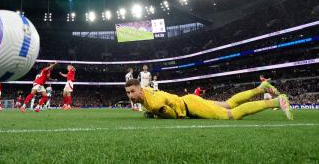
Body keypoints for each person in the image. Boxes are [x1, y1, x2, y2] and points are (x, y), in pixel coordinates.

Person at [124, 78, 292, 120]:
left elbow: (174, 116)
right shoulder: (145, 92)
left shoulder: (153, 104)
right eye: (128, 93)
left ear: (140, 88)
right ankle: (261, 88)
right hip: (189, 100)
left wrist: (156, 114)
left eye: (133, 91)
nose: (130, 96)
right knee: (228, 103)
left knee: (231, 114)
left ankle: (277, 102)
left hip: (191, 107)